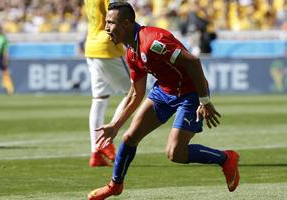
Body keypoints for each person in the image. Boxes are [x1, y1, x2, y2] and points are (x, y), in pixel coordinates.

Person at [88, 2, 240, 199]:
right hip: (164, 91)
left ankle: (226, 158)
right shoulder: (131, 52)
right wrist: (115, 125)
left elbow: (193, 62)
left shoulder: (153, 42)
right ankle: (115, 186)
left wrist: (204, 100)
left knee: (175, 153)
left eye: (110, 23)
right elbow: (136, 93)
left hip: (190, 93)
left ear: (126, 23)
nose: (106, 28)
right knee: (129, 137)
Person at [84, 0, 130, 167]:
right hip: (108, 45)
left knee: (99, 99)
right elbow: (117, 15)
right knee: (133, 92)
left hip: (91, 45)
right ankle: (107, 138)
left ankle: (95, 152)